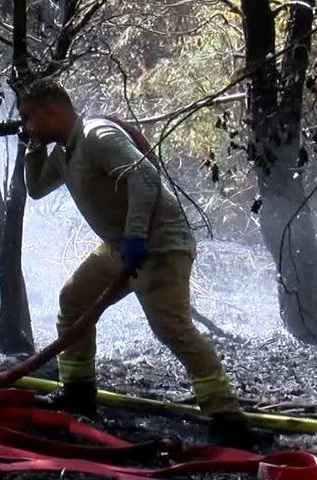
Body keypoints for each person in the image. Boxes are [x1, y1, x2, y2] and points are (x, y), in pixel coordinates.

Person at [19, 78, 255, 448]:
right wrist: (31, 146)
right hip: (120, 246)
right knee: (74, 301)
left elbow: (144, 175)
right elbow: (35, 189)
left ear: (51, 110)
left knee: (172, 328)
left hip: (159, 243)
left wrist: (135, 235)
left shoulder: (98, 136)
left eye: (28, 118)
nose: (25, 124)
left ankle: (227, 417)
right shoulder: (66, 150)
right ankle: (79, 392)